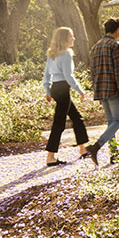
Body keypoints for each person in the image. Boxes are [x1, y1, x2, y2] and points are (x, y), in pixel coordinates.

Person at [42, 27, 91, 167]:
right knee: (59, 123)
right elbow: (69, 76)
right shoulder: (67, 54)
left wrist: (47, 90)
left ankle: (83, 149)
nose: (73, 39)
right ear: (64, 39)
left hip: (55, 89)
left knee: (76, 117)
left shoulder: (52, 54)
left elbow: (46, 75)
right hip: (63, 88)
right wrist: (80, 90)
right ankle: (51, 157)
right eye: (71, 36)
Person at [86, 18, 119, 167]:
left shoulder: (95, 47)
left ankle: (114, 155)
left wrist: (97, 92)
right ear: (117, 30)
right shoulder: (116, 45)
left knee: (111, 123)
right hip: (114, 90)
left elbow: (93, 72)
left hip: (102, 90)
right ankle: (95, 147)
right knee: (117, 122)